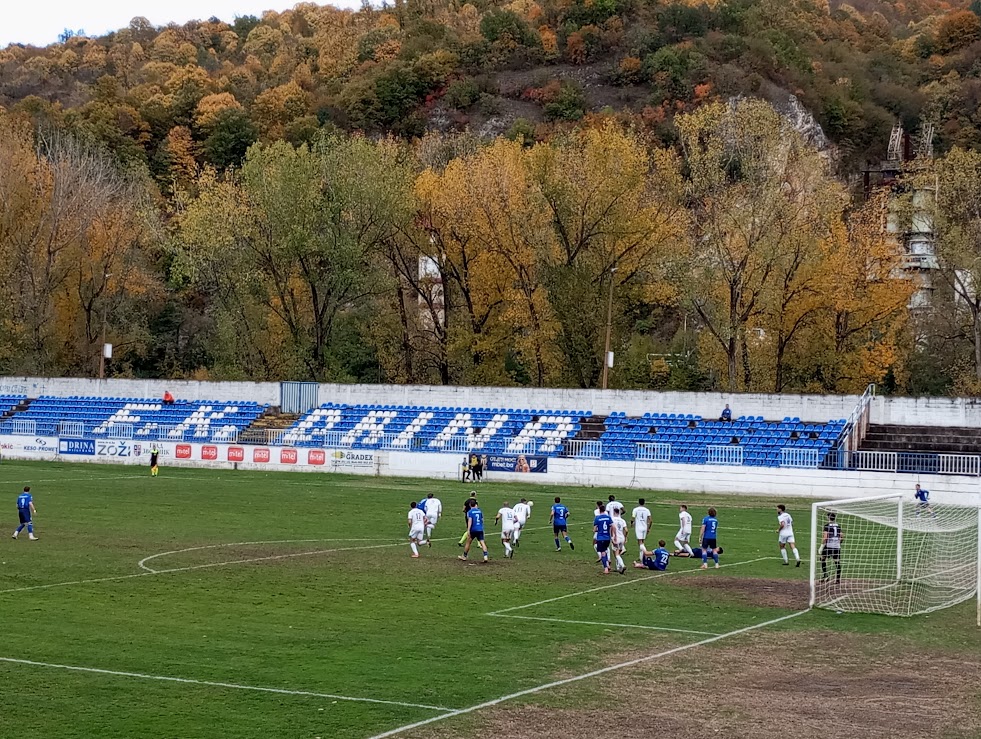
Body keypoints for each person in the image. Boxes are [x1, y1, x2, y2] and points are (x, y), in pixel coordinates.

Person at [820, 512, 843, 583]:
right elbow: (842, 537)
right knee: (837, 562)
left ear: (828, 517)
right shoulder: (838, 526)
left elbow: (825, 537)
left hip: (829, 546)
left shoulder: (827, 526)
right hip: (837, 547)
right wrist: (838, 543)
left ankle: (825, 576)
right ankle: (838, 579)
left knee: (822, 558)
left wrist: (821, 546)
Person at [630, 498, 652, 563]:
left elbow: (632, 518)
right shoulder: (647, 510)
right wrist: (648, 528)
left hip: (638, 527)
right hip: (645, 527)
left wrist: (631, 524)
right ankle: (641, 557)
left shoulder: (635, 509)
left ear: (638, 502)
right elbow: (650, 520)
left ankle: (646, 554)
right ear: (644, 503)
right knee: (642, 542)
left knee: (640, 542)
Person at [593, 504, 613, 574]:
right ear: (604, 510)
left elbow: (594, 529)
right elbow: (612, 526)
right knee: (605, 550)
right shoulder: (608, 518)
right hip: (607, 537)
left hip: (600, 537)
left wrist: (598, 530)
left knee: (603, 553)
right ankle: (608, 564)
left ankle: (606, 568)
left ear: (599, 510)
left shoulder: (597, 518)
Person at [610, 507, 628, 574]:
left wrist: (612, 537)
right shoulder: (622, 520)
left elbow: (611, 528)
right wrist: (625, 537)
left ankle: (622, 565)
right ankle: (618, 567)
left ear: (614, 512)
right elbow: (626, 530)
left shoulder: (612, 519)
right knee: (618, 553)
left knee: (616, 554)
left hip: (615, 538)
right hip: (622, 538)